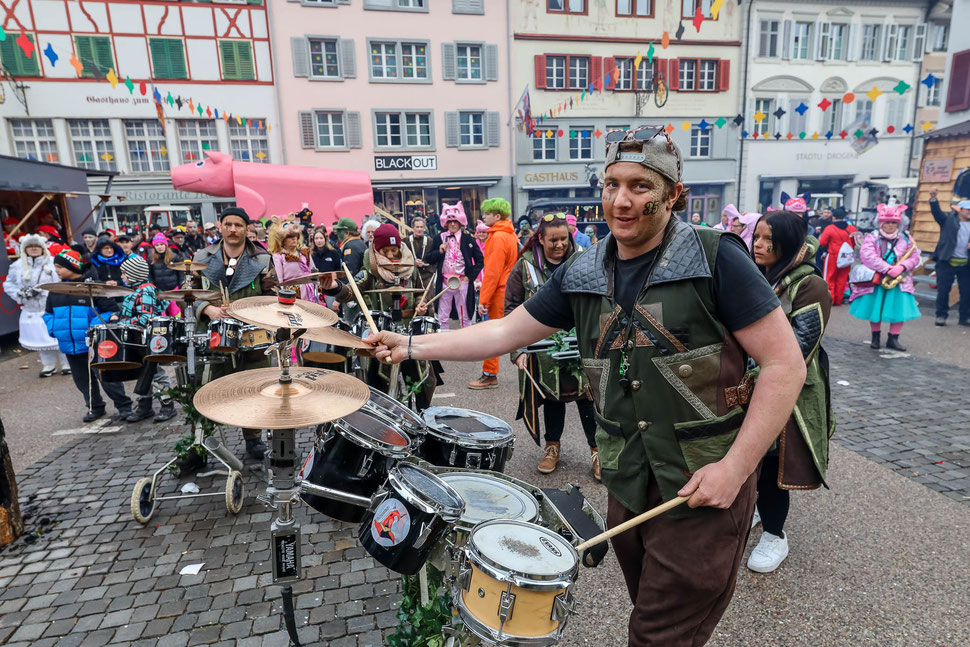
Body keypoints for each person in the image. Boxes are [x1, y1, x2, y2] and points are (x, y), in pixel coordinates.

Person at [366, 127, 806, 646]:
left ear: (673, 195)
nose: (621, 200)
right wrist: (414, 345)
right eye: (612, 184)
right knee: (654, 613)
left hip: (702, 485)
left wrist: (734, 469)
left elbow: (785, 365)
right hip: (627, 479)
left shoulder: (715, 258)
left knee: (655, 634)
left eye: (640, 186)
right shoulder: (584, 268)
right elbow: (507, 330)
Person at [748, 211, 835, 573]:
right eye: (757, 237)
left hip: (789, 389)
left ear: (789, 244)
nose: (760, 245)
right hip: (748, 379)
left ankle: (774, 534)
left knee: (772, 463)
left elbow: (800, 345)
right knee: (747, 457)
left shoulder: (809, 284)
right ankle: (755, 510)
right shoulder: (757, 275)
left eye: (770, 240)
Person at [505, 213, 599, 478]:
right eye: (553, 240)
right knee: (552, 397)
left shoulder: (585, 259)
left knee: (588, 398)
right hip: (542, 350)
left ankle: (597, 451)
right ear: (540, 239)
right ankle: (552, 448)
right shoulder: (524, 266)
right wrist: (518, 350)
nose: (559, 245)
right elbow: (511, 308)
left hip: (580, 345)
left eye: (564, 238)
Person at [320, 223, 439, 409]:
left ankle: (422, 417)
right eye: (386, 251)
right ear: (377, 250)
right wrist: (334, 287)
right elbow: (352, 292)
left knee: (419, 379)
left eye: (395, 250)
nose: (391, 256)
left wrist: (421, 305)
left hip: (408, 333)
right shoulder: (370, 272)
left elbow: (419, 293)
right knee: (381, 386)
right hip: (382, 336)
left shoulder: (410, 267)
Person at [192, 208, 277, 459]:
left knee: (253, 387)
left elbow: (270, 295)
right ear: (220, 227)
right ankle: (201, 442)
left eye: (238, 225)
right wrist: (207, 309)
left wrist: (250, 310)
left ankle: (253, 439)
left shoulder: (262, 258)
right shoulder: (201, 256)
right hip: (213, 331)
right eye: (227, 224)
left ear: (246, 229)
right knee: (208, 387)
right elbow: (189, 292)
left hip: (252, 333)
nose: (232, 229)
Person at [44, 250, 133, 423]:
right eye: (55, 267)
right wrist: (53, 328)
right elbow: (48, 314)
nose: (57, 270)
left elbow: (110, 311)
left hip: (94, 342)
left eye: (60, 266)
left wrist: (93, 328)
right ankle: (94, 406)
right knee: (82, 380)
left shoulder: (92, 287)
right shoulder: (55, 291)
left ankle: (124, 405)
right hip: (70, 344)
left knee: (107, 377)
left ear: (73, 266)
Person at [112, 255, 177, 423]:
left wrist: (123, 322)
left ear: (134, 274)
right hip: (137, 339)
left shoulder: (145, 290)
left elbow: (145, 317)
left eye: (124, 273)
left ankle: (167, 404)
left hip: (147, 338)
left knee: (155, 373)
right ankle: (145, 405)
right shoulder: (135, 290)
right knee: (144, 372)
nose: (121, 277)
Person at [848, 204, 921, 351]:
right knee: (876, 308)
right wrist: (887, 268)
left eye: (893, 222)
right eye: (887, 222)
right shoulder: (872, 237)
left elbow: (915, 257)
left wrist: (902, 267)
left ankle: (893, 339)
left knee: (899, 309)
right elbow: (868, 256)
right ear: (880, 223)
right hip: (878, 279)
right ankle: (875, 337)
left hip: (900, 279)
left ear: (899, 223)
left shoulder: (906, 239)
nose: (890, 225)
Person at [2, 234, 69, 377]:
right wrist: (20, 294)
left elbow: (63, 281)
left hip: (51, 307)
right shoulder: (17, 266)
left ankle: (66, 363)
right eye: (30, 246)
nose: (33, 249)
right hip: (31, 309)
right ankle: (48, 364)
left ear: (42, 248)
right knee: (39, 338)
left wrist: (54, 295)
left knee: (58, 336)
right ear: (24, 249)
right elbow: (8, 284)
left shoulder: (52, 262)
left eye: (36, 246)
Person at [471, 198, 518, 390]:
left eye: (487, 213)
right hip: (507, 288)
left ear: (497, 216)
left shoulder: (498, 237)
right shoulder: (510, 234)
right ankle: (490, 373)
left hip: (498, 290)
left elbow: (492, 272)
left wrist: (483, 299)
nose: (483, 216)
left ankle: (489, 375)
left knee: (492, 335)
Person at [424, 203, 483, 330]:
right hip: (444, 282)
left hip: (462, 283)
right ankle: (444, 344)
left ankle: (465, 345)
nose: (452, 224)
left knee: (465, 318)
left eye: (455, 221)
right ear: (445, 222)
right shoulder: (439, 238)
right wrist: (439, 251)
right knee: (442, 317)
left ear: (460, 222)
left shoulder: (468, 239)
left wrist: (469, 277)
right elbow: (428, 259)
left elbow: (480, 260)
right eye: (449, 221)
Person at [928, 189, 970, 326]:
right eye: (967, 209)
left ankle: (964, 317)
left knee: (967, 292)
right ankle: (941, 315)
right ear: (959, 210)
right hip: (946, 261)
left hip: (966, 264)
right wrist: (934, 199)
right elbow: (937, 213)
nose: (969, 212)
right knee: (943, 290)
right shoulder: (947, 220)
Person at [268, 222, 319, 304]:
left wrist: (317, 289)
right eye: (290, 237)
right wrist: (283, 295)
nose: (294, 239)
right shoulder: (279, 256)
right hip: (291, 293)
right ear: (282, 240)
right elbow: (280, 279)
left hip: (309, 290)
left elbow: (313, 272)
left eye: (296, 236)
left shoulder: (304, 252)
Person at [818, 207, 858, 306]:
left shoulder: (830, 228)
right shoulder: (852, 228)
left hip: (833, 256)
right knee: (842, 279)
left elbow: (822, 242)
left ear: (833, 217)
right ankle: (838, 300)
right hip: (846, 257)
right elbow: (855, 242)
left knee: (829, 278)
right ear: (844, 217)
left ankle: (829, 300)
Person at [405, 216, 435, 295]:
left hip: (427, 276)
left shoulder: (430, 241)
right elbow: (403, 258)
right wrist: (413, 262)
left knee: (427, 301)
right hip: (411, 276)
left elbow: (434, 260)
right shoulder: (406, 242)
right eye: (417, 227)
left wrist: (424, 264)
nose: (419, 229)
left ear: (424, 228)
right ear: (413, 228)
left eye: (421, 227)